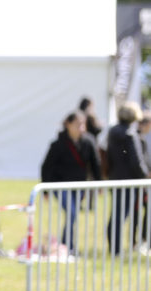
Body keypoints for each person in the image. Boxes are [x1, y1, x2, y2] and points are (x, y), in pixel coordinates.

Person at [40, 111, 101, 251]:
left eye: (82, 125)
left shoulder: (88, 141)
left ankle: (65, 245)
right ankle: (68, 245)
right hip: (60, 185)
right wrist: (45, 189)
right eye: (77, 124)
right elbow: (47, 166)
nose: (80, 128)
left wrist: (98, 183)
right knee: (72, 213)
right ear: (68, 125)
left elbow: (95, 163)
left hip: (79, 185)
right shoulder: (57, 144)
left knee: (72, 215)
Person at [105, 101, 150, 255]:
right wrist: (145, 175)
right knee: (121, 215)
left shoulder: (112, 132)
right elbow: (136, 160)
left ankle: (114, 248)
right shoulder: (131, 134)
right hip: (130, 181)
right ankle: (117, 250)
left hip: (115, 178)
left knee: (116, 215)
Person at [79, 96, 106, 178]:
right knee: (94, 164)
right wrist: (100, 125)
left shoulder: (79, 115)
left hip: (81, 145)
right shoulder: (90, 116)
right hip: (91, 144)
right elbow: (96, 130)